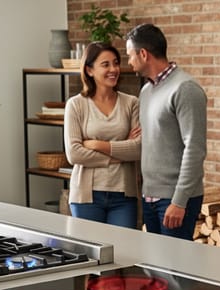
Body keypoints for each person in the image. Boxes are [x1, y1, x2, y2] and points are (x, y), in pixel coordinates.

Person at [125, 23, 207, 240]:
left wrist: (179, 201)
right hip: (150, 197)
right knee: (156, 261)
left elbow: (195, 148)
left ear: (144, 54)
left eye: (130, 55)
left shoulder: (185, 89)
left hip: (175, 199)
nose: (129, 61)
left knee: (176, 262)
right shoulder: (146, 91)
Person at [64, 42, 141, 228]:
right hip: (86, 196)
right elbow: (74, 154)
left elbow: (138, 149)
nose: (113, 69)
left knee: (124, 246)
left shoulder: (131, 103)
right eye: (106, 64)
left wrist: (98, 145)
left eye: (116, 63)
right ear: (89, 70)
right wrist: (120, 154)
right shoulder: (76, 105)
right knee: (89, 247)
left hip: (124, 196)